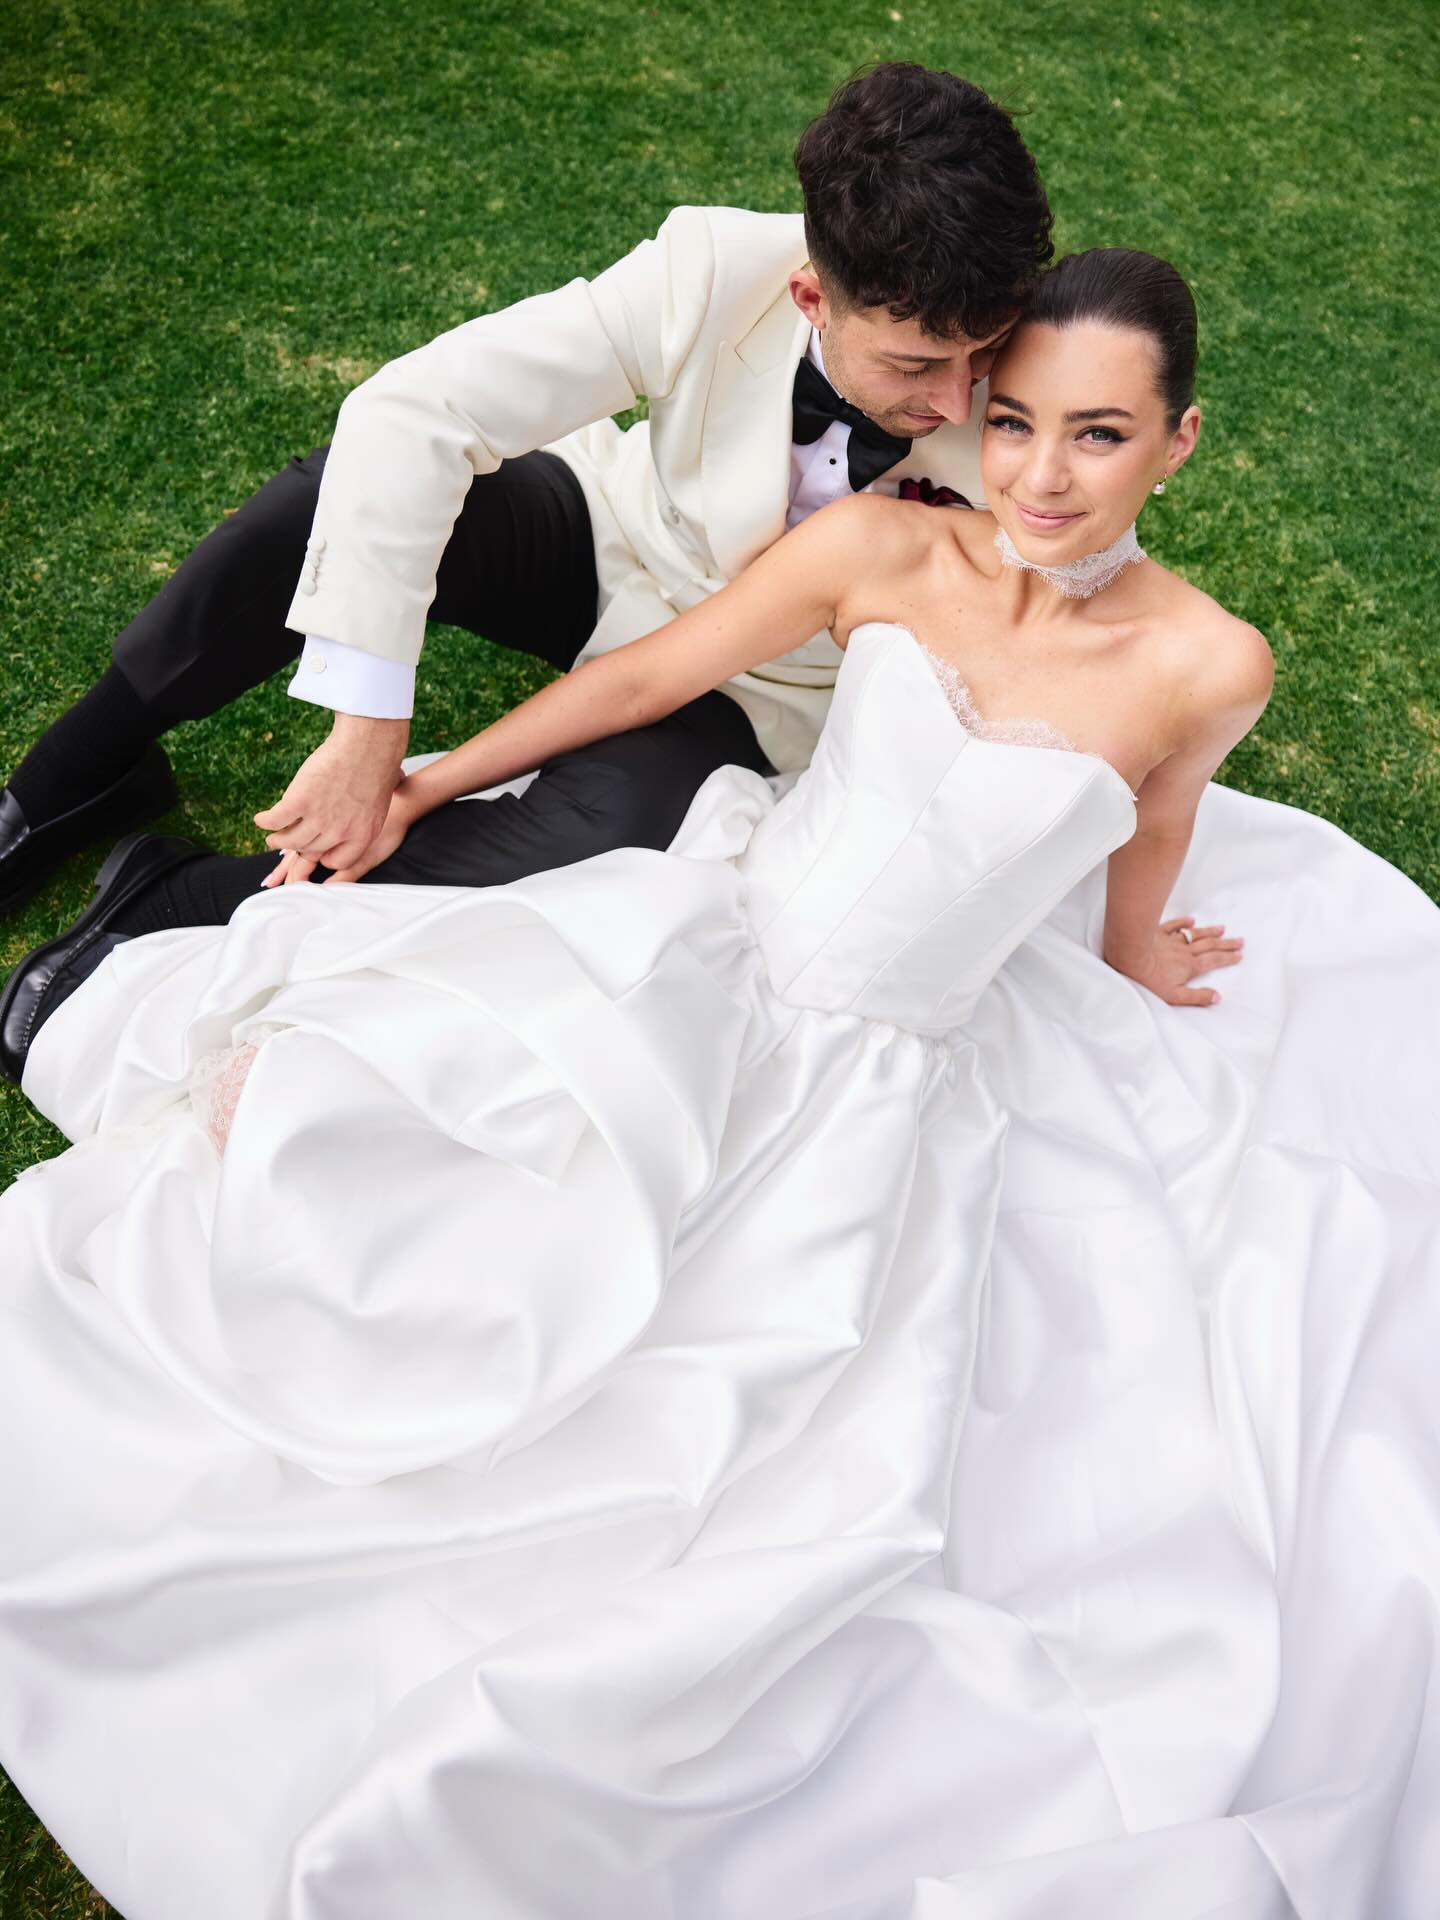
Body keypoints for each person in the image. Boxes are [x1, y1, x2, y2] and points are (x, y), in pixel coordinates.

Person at [3, 252, 1439, 1920]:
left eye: (1100, 435)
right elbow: (646, 680)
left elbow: (1157, 821)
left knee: (780, 1454)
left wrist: (1137, 955)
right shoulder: (887, 544)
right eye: (1020, 421)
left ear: (1176, 445)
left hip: (901, 1077)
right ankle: (125, 900)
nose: (1046, 475)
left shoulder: (1211, 663)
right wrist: (426, 777)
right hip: (716, 954)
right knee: (401, 1197)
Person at [0, 61, 1051, 922]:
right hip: (624, 540)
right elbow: (409, 411)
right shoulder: (714, 266)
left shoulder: (1059, 367)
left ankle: (179, 901)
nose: (960, 400)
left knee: (608, 838)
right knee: (324, 500)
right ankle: (67, 783)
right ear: (811, 295)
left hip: (776, 691)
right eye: (918, 365)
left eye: (984, 354)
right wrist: (369, 730)